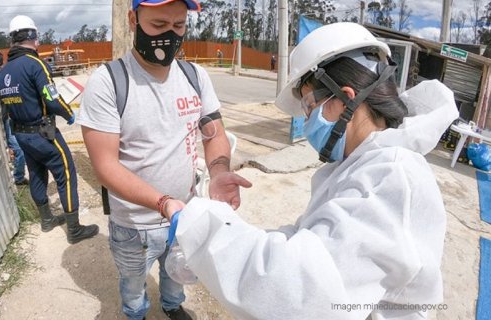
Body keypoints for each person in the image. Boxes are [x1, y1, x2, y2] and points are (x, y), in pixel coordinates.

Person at [163, 22, 457, 319]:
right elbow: (308, 239)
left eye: (308, 106)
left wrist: (200, 226)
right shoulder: (359, 165)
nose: (307, 121)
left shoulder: (388, 180)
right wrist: (233, 231)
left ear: (345, 98)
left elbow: (300, 292)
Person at [78, 1, 252, 319]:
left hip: (184, 214)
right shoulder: (108, 83)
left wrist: (219, 171)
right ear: (133, 19)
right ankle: (135, 312)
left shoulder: (195, 76)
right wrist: (163, 203)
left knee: (176, 277)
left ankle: (172, 306)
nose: (169, 36)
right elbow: (106, 167)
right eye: (158, 26)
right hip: (133, 226)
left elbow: (214, 134)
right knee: (133, 283)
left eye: (179, 26)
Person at [0, 15, 99, 244]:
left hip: (21, 134)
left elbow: (5, 108)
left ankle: (46, 220)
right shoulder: (36, 64)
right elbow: (51, 99)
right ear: (32, 37)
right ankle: (74, 230)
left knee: (36, 173)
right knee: (66, 173)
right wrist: (69, 114)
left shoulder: (3, 72)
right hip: (43, 134)